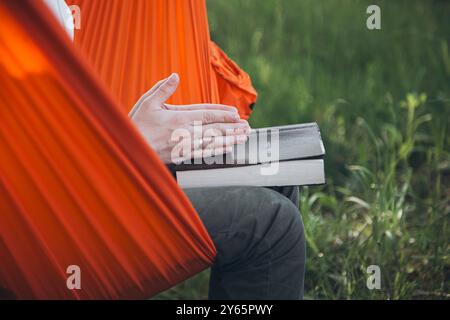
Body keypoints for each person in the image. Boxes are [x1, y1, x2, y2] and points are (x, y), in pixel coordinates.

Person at [45, 0, 306, 299]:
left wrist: (127, 132)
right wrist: (127, 148)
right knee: (272, 222)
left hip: (85, 168)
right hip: (57, 220)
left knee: (271, 174)